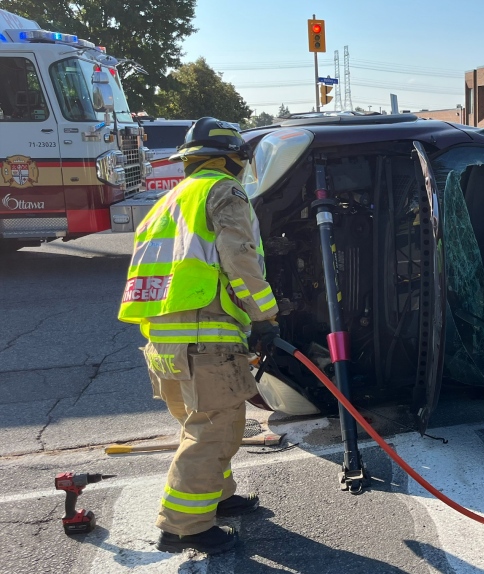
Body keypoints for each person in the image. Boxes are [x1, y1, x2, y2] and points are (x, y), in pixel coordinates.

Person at [118, 118, 279, 554]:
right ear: (233, 159)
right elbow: (239, 257)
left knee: (204, 425)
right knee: (215, 428)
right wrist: (263, 317)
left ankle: (217, 499)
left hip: (163, 343)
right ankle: (183, 527)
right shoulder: (223, 191)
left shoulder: (165, 203)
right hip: (203, 336)